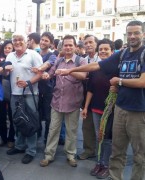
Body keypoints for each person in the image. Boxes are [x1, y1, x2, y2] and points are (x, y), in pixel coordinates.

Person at [58, 20, 145, 180]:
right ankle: (114, 177)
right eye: (130, 33)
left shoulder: (143, 53)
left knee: (140, 154)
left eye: (136, 33)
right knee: (117, 150)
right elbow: (95, 66)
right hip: (120, 107)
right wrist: (70, 70)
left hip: (138, 111)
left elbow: (142, 82)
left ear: (143, 34)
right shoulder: (123, 54)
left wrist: (119, 81)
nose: (132, 36)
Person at [39, 35, 87, 168]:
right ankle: (49, 155)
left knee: (71, 131)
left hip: (73, 102)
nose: (68, 47)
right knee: (53, 130)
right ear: (62, 47)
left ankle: (71, 155)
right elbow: (51, 72)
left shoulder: (81, 61)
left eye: (70, 45)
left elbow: (83, 76)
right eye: (65, 45)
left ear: (75, 47)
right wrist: (46, 75)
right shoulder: (59, 60)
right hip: (57, 101)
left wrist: (68, 71)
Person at [5, 32, 43, 164]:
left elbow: (40, 73)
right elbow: (6, 72)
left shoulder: (34, 55)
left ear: (26, 41)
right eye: (15, 40)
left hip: (29, 93)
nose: (17, 42)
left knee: (30, 122)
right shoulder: (10, 55)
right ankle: (20, 146)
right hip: (15, 93)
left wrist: (28, 83)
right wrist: (4, 70)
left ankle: (31, 151)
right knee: (18, 121)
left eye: (20, 39)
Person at [82, 39, 115, 179]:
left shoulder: (116, 68)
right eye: (101, 49)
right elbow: (90, 89)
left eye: (106, 49)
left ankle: (106, 165)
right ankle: (99, 163)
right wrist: (85, 107)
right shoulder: (95, 68)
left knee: (107, 138)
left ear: (112, 51)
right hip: (95, 108)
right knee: (99, 136)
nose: (103, 51)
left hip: (111, 109)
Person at [77, 34, 100, 161]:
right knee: (87, 125)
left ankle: (102, 153)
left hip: (101, 96)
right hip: (87, 95)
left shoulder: (102, 58)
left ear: (96, 44)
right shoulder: (84, 60)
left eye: (91, 42)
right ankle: (89, 150)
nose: (88, 45)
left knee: (102, 127)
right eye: (86, 43)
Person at [0, 40, 15, 148]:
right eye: (5, 48)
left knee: (12, 115)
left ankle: (11, 138)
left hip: (13, 90)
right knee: (1, 116)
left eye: (9, 48)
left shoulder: (14, 60)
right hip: (0, 91)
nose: (7, 50)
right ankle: (3, 138)